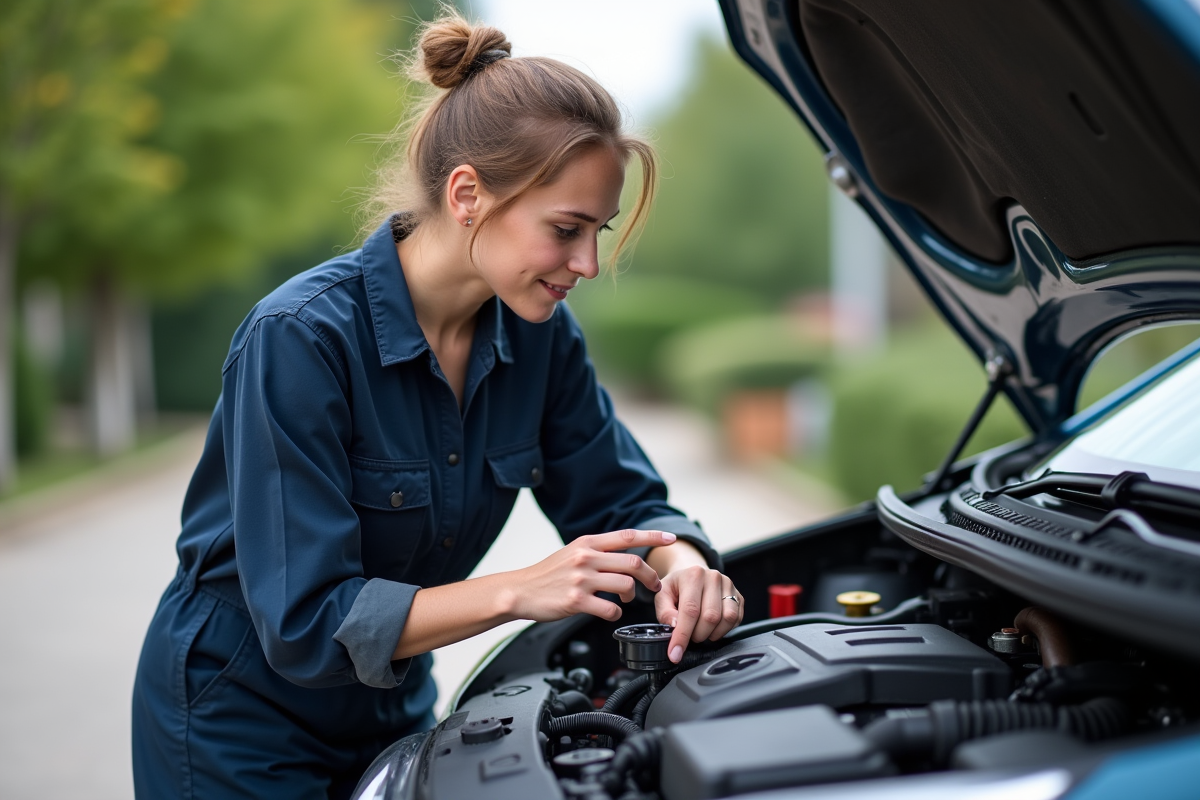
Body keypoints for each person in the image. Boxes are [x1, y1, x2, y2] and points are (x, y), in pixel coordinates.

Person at [131, 11, 744, 799]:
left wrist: (683, 564)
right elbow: (308, 619)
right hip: (236, 718)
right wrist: (517, 590)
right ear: (466, 195)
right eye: (566, 229)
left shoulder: (542, 340)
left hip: (391, 708)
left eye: (599, 231)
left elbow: (620, 499)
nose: (587, 263)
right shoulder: (300, 339)